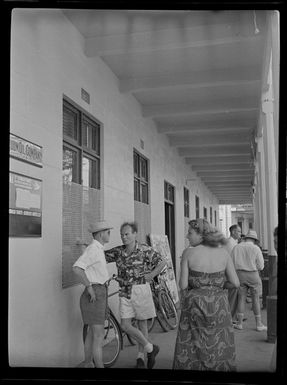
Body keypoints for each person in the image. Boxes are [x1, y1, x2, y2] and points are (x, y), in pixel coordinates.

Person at [173, 218, 240, 371]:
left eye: (190, 233)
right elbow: (235, 283)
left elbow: (183, 285)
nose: (187, 236)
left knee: (193, 342)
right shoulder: (223, 253)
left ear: (201, 235)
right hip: (219, 305)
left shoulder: (188, 253)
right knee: (218, 341)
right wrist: (219, 285)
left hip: (195, 304)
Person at [105, 221, 167, 369]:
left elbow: (162, 261)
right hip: (125, 291)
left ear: (134, 234)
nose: (124, 237)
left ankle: (140, 357)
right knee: (125, 325)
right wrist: (85, 246)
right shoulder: (118, 251)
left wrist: (151, 274)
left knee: (142, 323)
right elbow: (100, 255)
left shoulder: (145, 250)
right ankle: (151, 348)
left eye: (127, 234)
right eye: (121, 234)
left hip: (140, 290)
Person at [72, 220, 113, 368]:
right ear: (101, 234)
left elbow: (88, 264)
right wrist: (89, 287)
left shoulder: (96, 248)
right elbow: (77, 268)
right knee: (98, 335)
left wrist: (82, 246)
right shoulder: (94, 249)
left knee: (92, 333)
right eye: (108, 232)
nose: (110, 234)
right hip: (95, 293)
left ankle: (88, 363)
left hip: (99, 292)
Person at [231, 229, 267, 331]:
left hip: (240, 275)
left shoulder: (237, 247)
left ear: (246, 238)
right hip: (253, 275)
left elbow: (231, 263)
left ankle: (239, 323)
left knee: (241, 298)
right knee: (255, 298)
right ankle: (259, 324)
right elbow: (261, 266)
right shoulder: (256, 248)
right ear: (254, 240)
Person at [224, 224, 241, 324]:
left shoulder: (232, 242)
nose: (240, 233)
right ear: (233, 232)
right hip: (230, 272)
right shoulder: (231, 243)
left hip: (231, 271)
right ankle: (230, 317)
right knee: (233, 294)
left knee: (234, 294)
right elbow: (232, 260)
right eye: (239, 231)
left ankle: (233, 316)